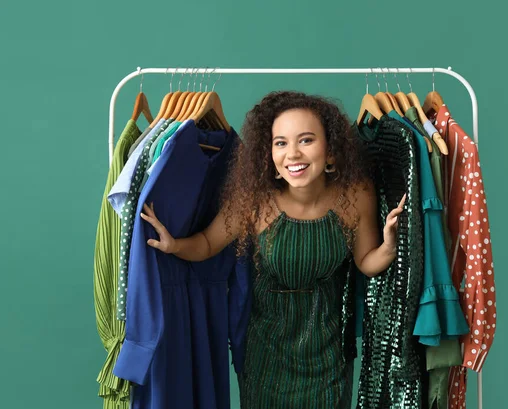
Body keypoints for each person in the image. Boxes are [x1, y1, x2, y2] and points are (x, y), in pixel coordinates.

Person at [140, 91, 405, 409]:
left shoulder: (356, 195)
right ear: (270, 155)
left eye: (306, 140)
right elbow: (209, 243)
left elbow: (365, 261)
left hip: (329, 352)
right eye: (280, 143)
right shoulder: (255, 200)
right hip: (266, 352)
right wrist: (175, 245)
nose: (292, 153)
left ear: (330, 150)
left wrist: (389, 246)